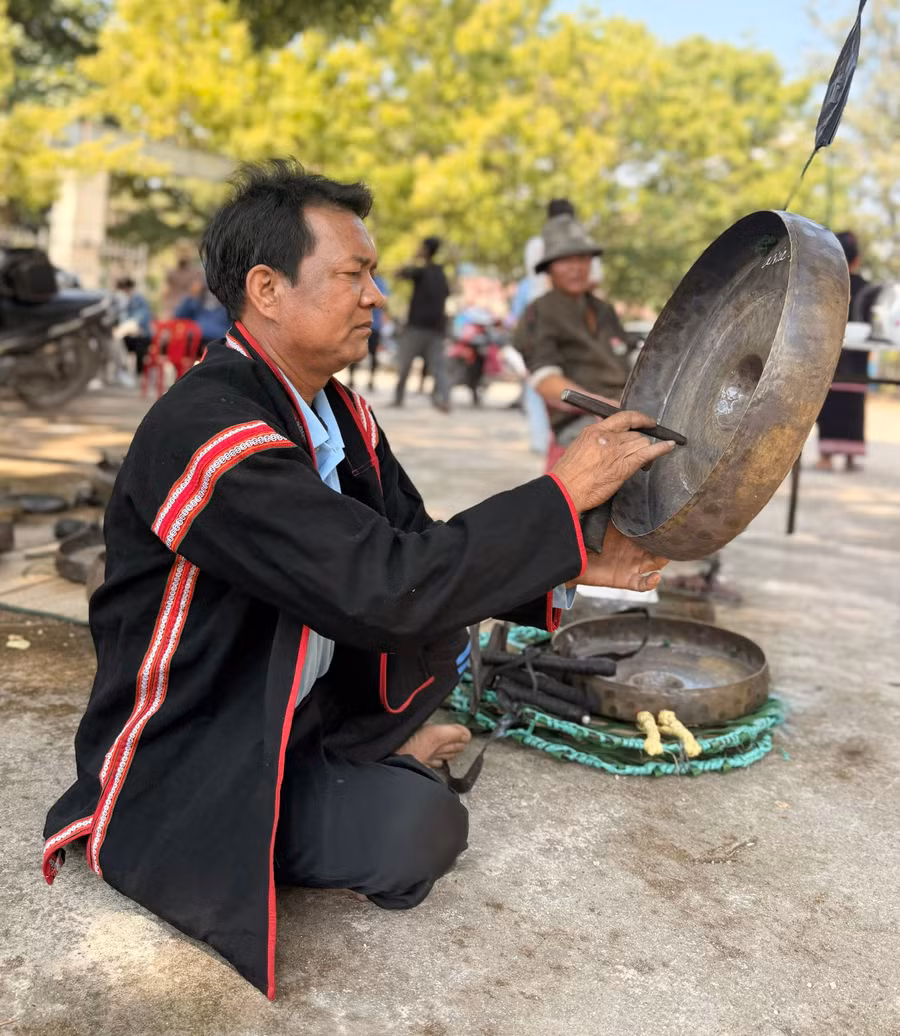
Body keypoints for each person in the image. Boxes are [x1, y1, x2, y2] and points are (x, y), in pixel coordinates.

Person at [42, 160, 673, 1000]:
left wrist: (575, 557)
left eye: (373, 273)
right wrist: (559, 495)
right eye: (353, 274)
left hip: (290, 708)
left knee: (430, 668)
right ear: (266, 289)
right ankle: (298, 787)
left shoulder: (339, 410)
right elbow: (379, 587)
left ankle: (352, 753)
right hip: (195, 743)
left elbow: (418, 545)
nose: (376, 295)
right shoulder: (207, 431)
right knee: (420, 831)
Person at [514, 214, 630, 451]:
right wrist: (603, 407)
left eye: (582, 258)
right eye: (565, 260)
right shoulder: (539, 311)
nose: (575, 268)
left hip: (628, 409)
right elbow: (546, 380)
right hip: (582, 421)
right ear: (549, 269)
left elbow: (629, 357)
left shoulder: (603, 310)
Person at [816, 230, 879, 472]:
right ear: (857, 259)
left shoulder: (827, 283)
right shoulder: (868, 289)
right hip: (857, 360)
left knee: (829, 406)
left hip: (831, 358)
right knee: (853, 407)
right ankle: (851, 457)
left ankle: (827, 456)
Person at [392, 236, 451, 412]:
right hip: (436, 329)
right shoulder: (441, 274)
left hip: (416, 328)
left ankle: (399, 398)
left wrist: (414, 257)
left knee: (405, 365)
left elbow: (399, 273)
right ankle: (444, 400)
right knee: (439, 368)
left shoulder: (420, 271)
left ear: (425, 250)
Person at [347, 271, 388, 391]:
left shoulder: (379, 282)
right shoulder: (359, 279)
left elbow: (384, 300)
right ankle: (351, 378)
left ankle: (371, 380)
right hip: (359, 323)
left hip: (375, 326)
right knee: (353, 352)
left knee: (373, 354)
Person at [174, 271, 230, 344]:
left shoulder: (230, 298)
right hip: (195, 337)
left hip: (217, 338)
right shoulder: (198, 295)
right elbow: (179, 317)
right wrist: (192, 296)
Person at [113, 276, 154, 376]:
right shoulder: (119, 301)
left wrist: (131, 327)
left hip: (141, 335)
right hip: (127, 337)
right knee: (116, 343)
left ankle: (138, 374)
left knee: (140, 343)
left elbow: (141, 319)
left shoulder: (138, 299)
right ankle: (122, 372)